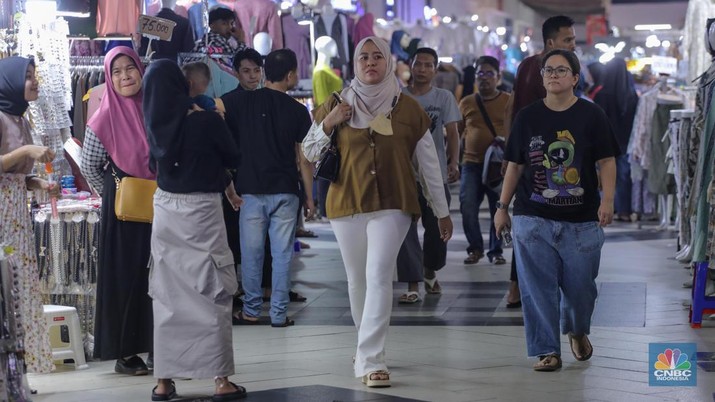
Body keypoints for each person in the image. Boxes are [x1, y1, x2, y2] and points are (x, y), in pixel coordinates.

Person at [302, 36, 453, 387]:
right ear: (355, 64)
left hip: (394, 203)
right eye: (363, 58)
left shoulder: (408, 108)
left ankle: (372, 359)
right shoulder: (337, 103)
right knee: (357, 280)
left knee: (379, 275)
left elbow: (429, 164)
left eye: (377, 57)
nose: (370, 63)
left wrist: (441, 211)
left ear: (388, 62)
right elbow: (309, 151)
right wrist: (331, 121)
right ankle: (364, 345)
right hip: (345, 202)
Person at [494, 49, 618, 372]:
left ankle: (577, 329)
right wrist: (502, 207)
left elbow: (606, 160)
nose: (553, 75)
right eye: (548, 70)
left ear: (575, 78)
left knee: (581, 290)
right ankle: (547, 349)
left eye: (561, 70)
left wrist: (607, 200)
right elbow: (515, 166)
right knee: (536, 288)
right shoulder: (527, 117)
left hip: (581, 221)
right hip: (532, 217)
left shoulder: (592, 116)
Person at [143, 59, 246, 402]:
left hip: (166, 210)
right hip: (202, 210)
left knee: (167, 296)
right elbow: (232, 154)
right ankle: (220, 381)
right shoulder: (204, 121)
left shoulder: (155, 126)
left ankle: (163, 382)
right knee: (212, 291)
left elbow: (153, 164)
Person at [221, 49, 314, 327]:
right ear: (290, 75)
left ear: (263, 72)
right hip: (286, 190)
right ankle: (278, 314)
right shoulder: (299, 111)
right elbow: (305, 158)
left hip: (249, 190)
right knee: (283, 254)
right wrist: (310, 198)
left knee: (251, 254)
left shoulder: (238, 103)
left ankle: (250, 310)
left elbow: (210, 110)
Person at [80, 46, 154, 376]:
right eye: (117, 72)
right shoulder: (103, 117)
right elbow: (90, 166)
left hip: (161, 204)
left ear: (141, 69)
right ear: (109, 79)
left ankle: (159, 345)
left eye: (130, 68)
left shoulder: (155, 106)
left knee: (162, 277)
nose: (125, 76)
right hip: (124, 212)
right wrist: (116, 189)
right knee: (128, 279)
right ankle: (125, 354)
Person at [503, 14, 577, 309]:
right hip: (537, 159)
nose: (573, 44)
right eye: (568, 40)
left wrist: (510, 149)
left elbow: (510, 108)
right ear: (550, 42)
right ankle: (520, 286)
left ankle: (518, 287)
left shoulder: (525, 66)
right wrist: (512, 153)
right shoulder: (545, 71)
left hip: (542, 156)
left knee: (531, 221)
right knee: (532, 221)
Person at [0, 56, 56, 374]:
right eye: (28, 77)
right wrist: (25, 151)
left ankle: (15, 371)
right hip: (2, 216)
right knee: (4, 286)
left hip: (17, 215)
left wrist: (40, 184)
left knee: (17, 289)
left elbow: (18, 176)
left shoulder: (22, 119)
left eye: (35, 76)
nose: (34, 82)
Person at [396, 47, 460, 303]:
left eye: (428, 65)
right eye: (418, 64)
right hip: (404, 174)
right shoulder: (398, 96)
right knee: (405, 230)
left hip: (436, 175)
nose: (422, 69)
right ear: (411, 66)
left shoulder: (443, 98)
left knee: (436, 230)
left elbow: (453, 133)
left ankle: (430, 268)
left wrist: (454, 162)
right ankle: (412, 283)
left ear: (435, 69)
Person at [459, 56, 511, 267]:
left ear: (498, 77)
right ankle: (475, 248)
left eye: (489, 73)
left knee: (498, 208)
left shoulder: (508, 100)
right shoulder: (467, 102)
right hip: (471, 164)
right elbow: (458, 132)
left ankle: (496, 250)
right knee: (467, 206)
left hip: (498, 166)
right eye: (480, 73)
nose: (485, 78)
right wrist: (452, 161)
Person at [591, 58, 638, 221]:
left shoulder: (602, 94)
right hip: (626, 140)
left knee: (604, 173)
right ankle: (624, 210)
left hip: (607, 141)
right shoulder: (632, 95)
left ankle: (603, 207)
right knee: (624, 176)